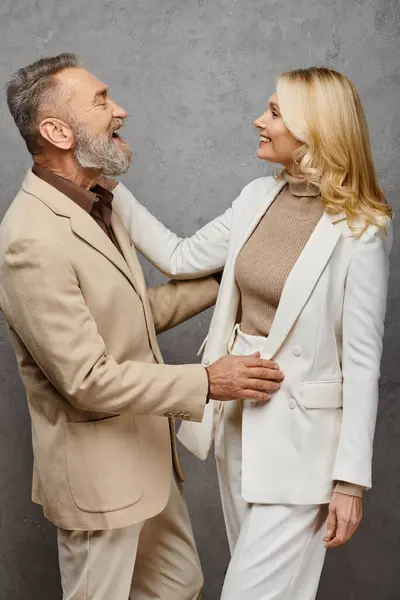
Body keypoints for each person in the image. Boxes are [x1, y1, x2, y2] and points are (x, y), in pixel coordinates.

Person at [0, 53, 284, 600]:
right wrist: (206, 382)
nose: (120, 110)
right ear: (57, 131)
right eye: (102, 100)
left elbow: (132, 315)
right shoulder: (29, 239)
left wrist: (235, 275)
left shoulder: (97, 202)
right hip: (97, 483)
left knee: (181, 586)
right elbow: (86, 379)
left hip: (147, 468)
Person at [111, 67, 393, 600]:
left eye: (275, 112)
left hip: (305, 443)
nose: (258, 121)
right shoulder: (256, 197)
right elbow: (179, 255)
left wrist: (350, 481)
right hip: (236, 423)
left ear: (315, 128)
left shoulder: (363, 227)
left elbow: (362, 360)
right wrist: (108, 186)